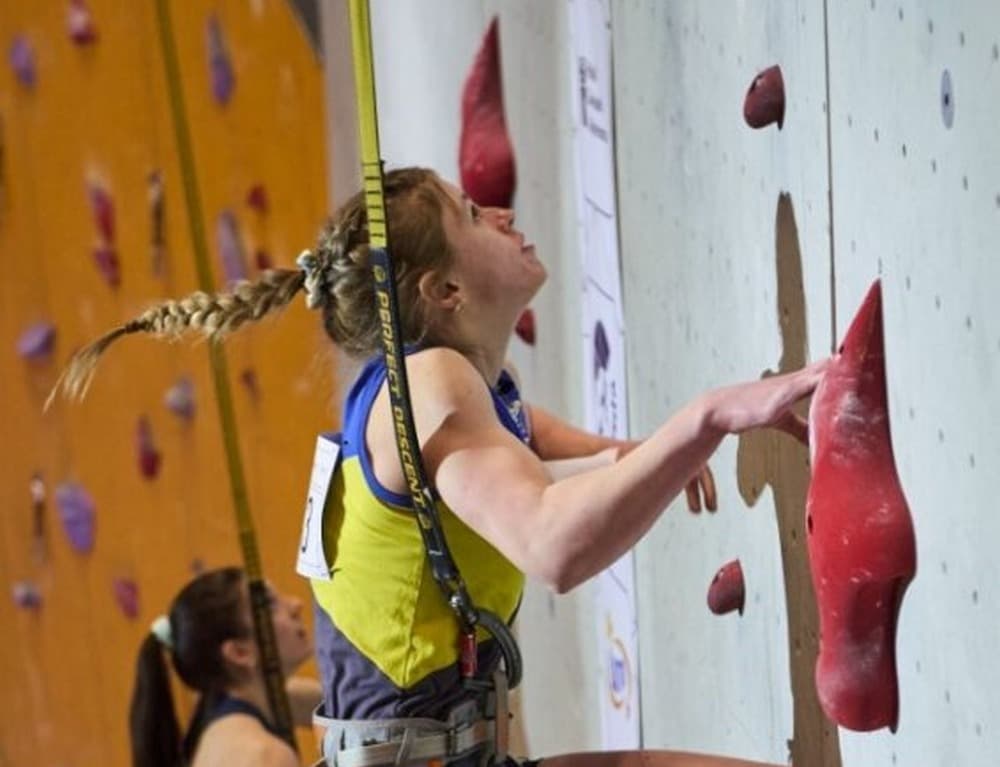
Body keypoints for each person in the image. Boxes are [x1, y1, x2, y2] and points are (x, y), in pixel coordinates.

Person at [56, 167, 827, 767]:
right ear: (446, 290)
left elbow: (512, 432)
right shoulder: (429, 384)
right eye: (469, 214)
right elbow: (553, 545)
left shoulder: (444, 387)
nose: (499, 214)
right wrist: (707, 419)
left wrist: (622, 453)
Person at [128, 566, 320, 767]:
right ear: (239, 652)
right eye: (270, 605)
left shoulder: (250, 704)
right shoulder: (263, 755)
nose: (296, 605)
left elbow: (326, 702)